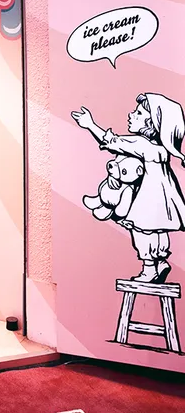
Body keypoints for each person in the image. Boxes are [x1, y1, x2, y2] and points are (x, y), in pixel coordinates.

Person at [72, 93, 185, 283]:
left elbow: (113, 142)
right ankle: (160, 262)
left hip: (149, 197)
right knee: (158, 230)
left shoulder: (142, 144)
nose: (131, 115)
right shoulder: (162, 149)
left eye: (138, 113)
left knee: (141, 230)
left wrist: (90, 125)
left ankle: (149, 268)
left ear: (152, 125)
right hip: (165, 198)